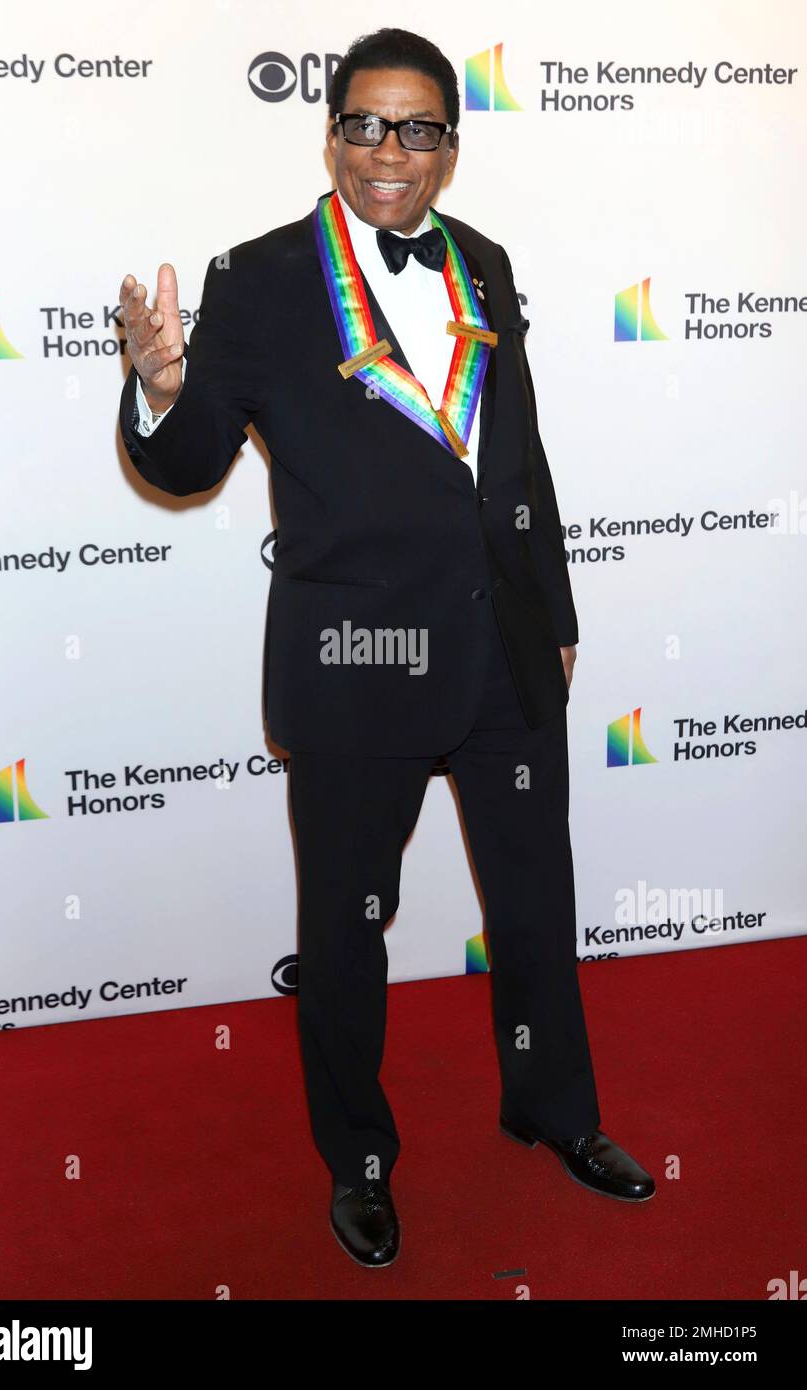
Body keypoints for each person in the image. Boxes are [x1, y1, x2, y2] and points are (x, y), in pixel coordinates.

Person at [117, 27, 655, 1270]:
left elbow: (516, 458)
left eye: (417, 129)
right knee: (349, 924)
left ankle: (552, 1110)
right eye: (365, 124)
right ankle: (359, 1159)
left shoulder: (485, 263)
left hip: (504, 650)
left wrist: (555, 613)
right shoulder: (257, 278)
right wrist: (158, 386)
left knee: (533, 902)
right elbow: (188, 463)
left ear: (450, 151)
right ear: (330, 134)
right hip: (358, 657)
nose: (388, 152)